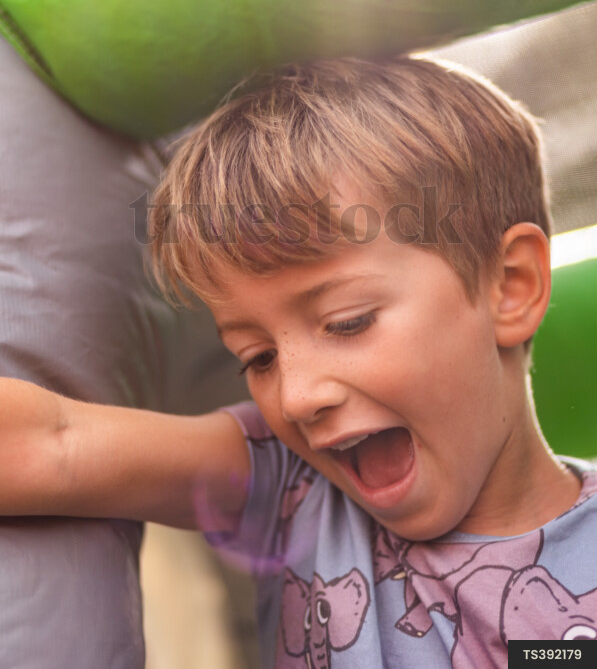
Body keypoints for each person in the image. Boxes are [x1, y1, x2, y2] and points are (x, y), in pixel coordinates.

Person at [1, 56, 595, 668]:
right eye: (258, 358)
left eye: (347, 323)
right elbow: (55, 445)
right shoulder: (291, 487)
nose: (298, 397)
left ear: (510, 285)